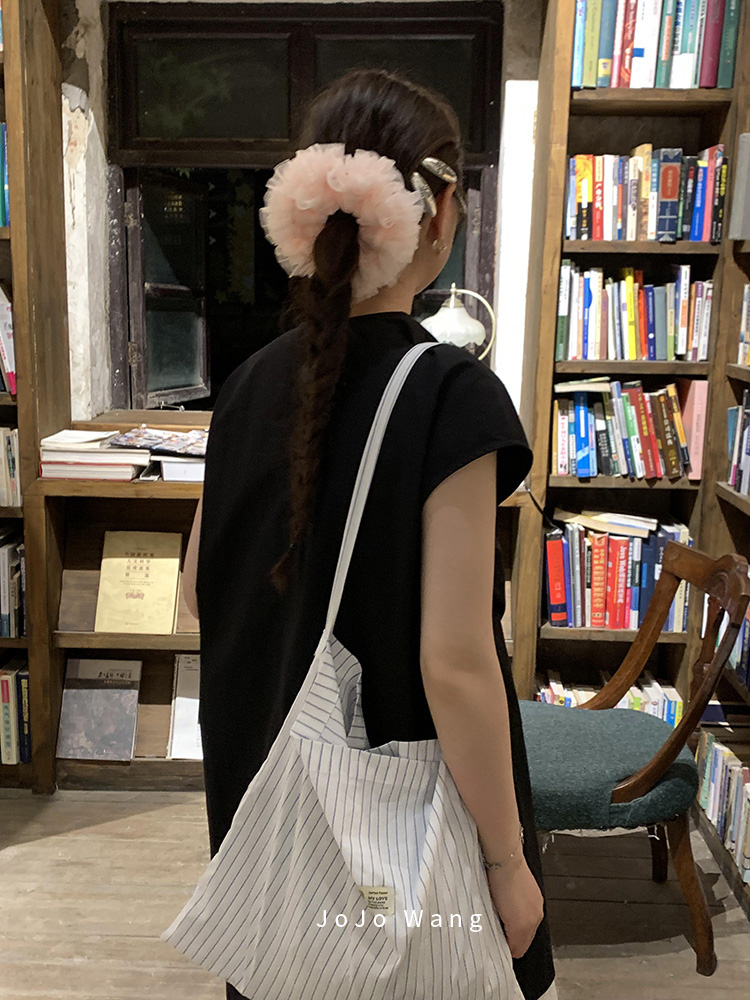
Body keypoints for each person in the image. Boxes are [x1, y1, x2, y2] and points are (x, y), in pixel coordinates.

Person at [181, 67, 557, 1000]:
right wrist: (507, 861)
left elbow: (196, 590)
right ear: (438, 212)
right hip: (408, 836)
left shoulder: (246, 385)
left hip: (269, 817)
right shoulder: (451, 394)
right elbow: (455, 663)